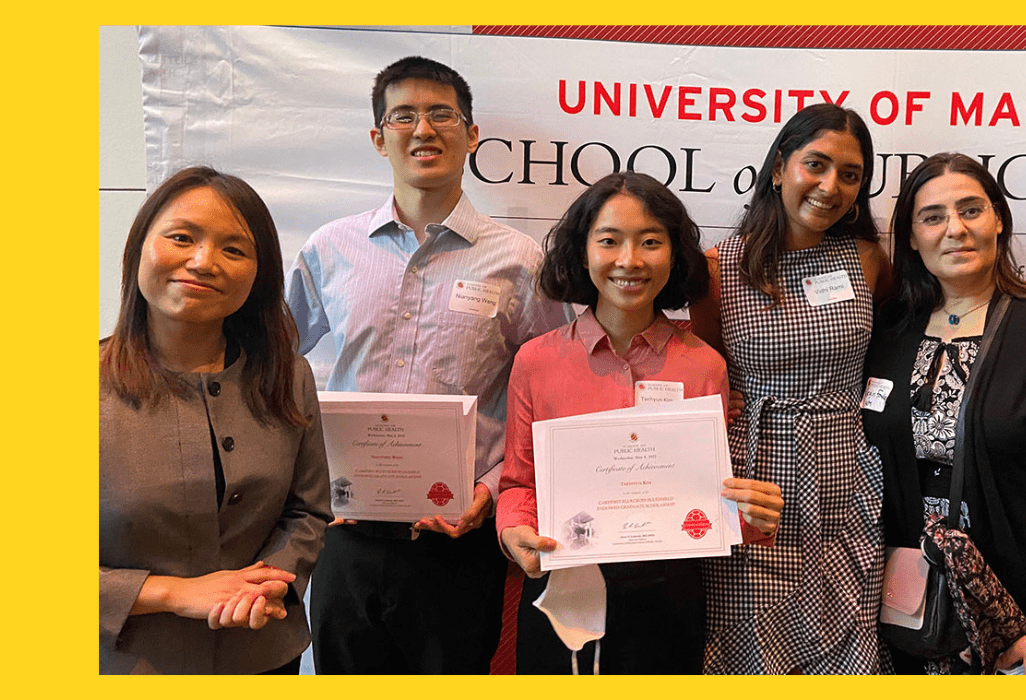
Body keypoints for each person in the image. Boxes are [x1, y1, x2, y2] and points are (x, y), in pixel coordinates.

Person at [285, 56, 570, 673]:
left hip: (457, 541)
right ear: (377, 137)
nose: (423, 130)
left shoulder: (519, 261)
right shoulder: (331, 248)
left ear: (470, 135)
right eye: (404, 116)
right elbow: (272, 365)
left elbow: (547, 395)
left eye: (442, 114)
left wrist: (492, 491)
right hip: (344, 532)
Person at [496, 171, 784, 674]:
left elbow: (703, 496)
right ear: (582, 252)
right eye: (609, 241)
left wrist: (751, 517)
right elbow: (520, 481)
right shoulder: (536, 361)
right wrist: (514, 530)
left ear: (674, 255)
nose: (629, 261)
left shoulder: (703, 365)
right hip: (565, 585)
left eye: (651, 242)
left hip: (668, 597)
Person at [861, 153, 1026, 675]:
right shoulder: (886, 329)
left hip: (1019, 613)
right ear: (910, 238)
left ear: (998, 219)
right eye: (932, 217)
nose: (954, 229)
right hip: (904, 612)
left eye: (971, 210)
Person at [99, 166, 333, 674]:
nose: (204, 262)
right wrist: (176, 594)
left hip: (262, 654)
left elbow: (308, 512)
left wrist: (268, 581)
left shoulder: (288, 376)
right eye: (182, 238)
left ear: (259, 273)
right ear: (140, 245)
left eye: (234, 249)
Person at [688, 103, 893, 674]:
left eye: (850, 175)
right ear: (779, 168)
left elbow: (925, 326)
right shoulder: (716, 269)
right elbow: (710, 372)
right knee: (750, 641)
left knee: (847, 635)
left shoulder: (868, 260)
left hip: (848, 476)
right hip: (754, 476)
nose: (831, 187)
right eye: (816, 165)